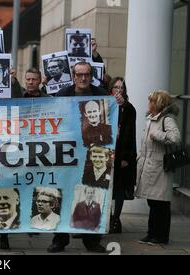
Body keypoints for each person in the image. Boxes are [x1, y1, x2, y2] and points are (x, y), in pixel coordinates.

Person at [50, 61, 118, 254]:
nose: (83, 78)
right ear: (73, 76)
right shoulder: (64, 94)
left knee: (94, 195)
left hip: (93, 156)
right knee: (63, 196)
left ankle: (92, 241)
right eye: (79, 74)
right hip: (67, 155)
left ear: (91, 75)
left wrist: (119, 103)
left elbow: (113, 119)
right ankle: (59, 240)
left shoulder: (102, 95)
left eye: (86, 74)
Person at [136, 90, 181, 245]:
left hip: (160, 167)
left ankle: (161, 236)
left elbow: (175, 138)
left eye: (151, 101)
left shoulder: (167, 119)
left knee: (160, 203)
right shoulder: (150, 119)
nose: (149, 103)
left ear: (158, 103)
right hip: (149, 166)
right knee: (153, 202)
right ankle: (152, 233)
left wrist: (158, 135)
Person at [108, 77, 137, 234]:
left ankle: (116, 219)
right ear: (110, 89)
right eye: (116, 87)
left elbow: (130, 134)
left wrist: (126, 157)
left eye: (121, 87)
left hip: (121, 154)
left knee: (119, 188)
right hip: (106, 152)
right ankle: (108, 216)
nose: (118, 90)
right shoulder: (105, 104)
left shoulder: (128, 108)